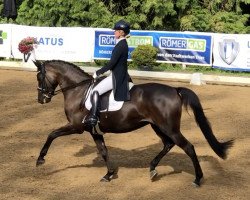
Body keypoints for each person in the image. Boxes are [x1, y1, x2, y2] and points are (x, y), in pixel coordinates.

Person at [83, 19, 132, 127]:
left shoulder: (121, 45)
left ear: (122, 32)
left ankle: (93, 117)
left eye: (116, 31)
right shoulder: (122, 43)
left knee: (95, 90)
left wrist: (98, 72)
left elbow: (112, 64)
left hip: (117, 76)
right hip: (117, 74)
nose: (114, 32)